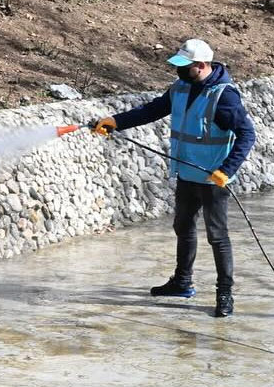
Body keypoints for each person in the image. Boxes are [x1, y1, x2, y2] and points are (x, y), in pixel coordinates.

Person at [93, 39, 256, 318]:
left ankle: (224, 293)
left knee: (217, 236)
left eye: (184, 66)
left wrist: (227, 170)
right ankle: (182, 282)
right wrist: (116, 121)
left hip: (213, 178)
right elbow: (151, 110)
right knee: (183, 226)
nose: (178, 71)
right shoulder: (180, 87)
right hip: (186, 173)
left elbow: (247, 135)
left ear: (201, 65)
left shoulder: (224, 96)